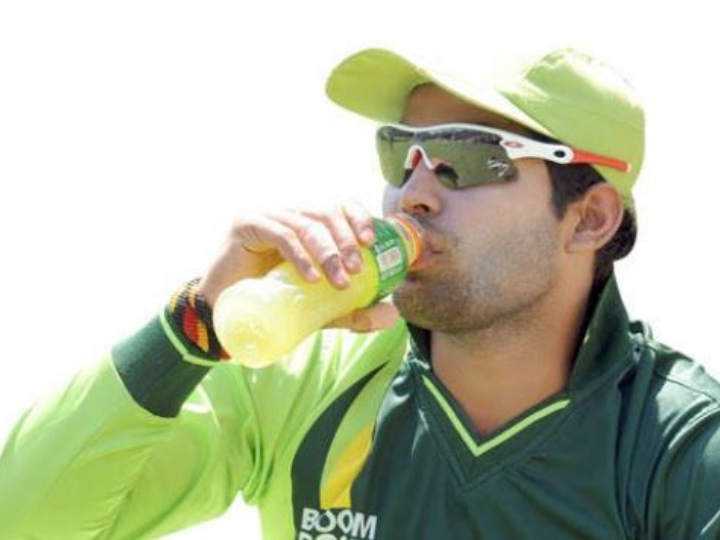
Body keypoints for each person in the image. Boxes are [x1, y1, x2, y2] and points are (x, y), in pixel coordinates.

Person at [1, 46, 719, 540]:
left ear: (589, 219)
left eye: (466, 159)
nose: (414, 193)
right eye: (400, 154)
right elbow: (25, 523)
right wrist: (196, 326)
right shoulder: (297, 381)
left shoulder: (683, 447)